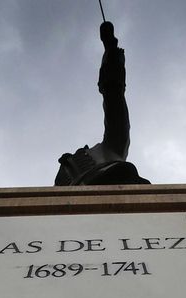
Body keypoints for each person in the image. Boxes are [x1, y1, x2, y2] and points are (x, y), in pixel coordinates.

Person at [55, 21, 150, 185]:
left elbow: (114, 100)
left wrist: (111, 55)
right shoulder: (66, 174)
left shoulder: (111, 148)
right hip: (73, 203)